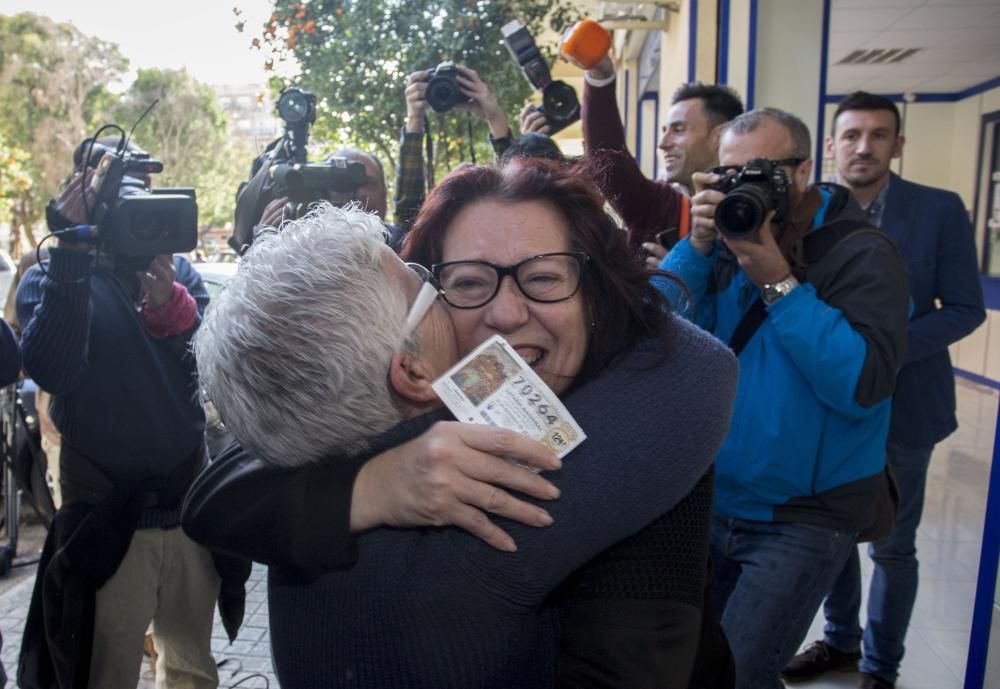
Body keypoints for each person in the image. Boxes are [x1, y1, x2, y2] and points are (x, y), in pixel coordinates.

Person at [185, 162, 739, 688]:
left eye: (543, 278)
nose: (505, 313)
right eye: (469, 284)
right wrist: (375, 483)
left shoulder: (643, 426)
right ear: (413, 360)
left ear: (593, 288)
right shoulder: (400, 432)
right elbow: (219, 493)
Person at [656, 107, 910, 689]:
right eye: (728, 175)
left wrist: (776, 279)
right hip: (718, 499)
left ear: (801, 172)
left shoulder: (861, 253)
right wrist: (694, 248)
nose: (742, 187)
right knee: (695, 667)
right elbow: (655, 338)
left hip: (805, 516)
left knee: (742, 672)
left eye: (760, 171)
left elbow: (862, 386)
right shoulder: (717, 245)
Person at [783, 92, 986, 689]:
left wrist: (885, 352)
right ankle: (841, 643)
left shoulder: (939, 209)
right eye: (851, 135)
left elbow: (966, 310)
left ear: (898, 144)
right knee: (833, 538)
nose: (863, 146)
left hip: (906, 407)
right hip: (828, 406)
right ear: (830, 146)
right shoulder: (803, 209)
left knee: (893, 546)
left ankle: (882, 666)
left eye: (878, 135)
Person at [15, 143, 220, 689]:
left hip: (186, 514)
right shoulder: (52, 278)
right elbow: (54, 369)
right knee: (104, 673)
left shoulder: (178, 277)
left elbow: (214, 369)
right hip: (107, 522)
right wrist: (72, 256)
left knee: (191, 670)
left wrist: (173, 311)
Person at [530, 52, 742, 261]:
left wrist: (676, 274)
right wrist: (600, 77)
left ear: (719, 136)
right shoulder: (658, 205)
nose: (663, 143)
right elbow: (610, 161)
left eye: (679, 130)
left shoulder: (759, 204)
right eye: (664, 130)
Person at [395, 64, 528, 231]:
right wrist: (414, 119)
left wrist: (495, 117)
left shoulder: (507, 237)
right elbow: (407, 222)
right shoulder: (429, 249)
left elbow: (519, 197)